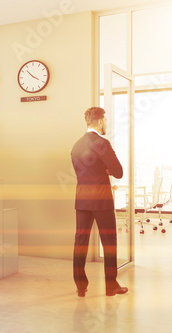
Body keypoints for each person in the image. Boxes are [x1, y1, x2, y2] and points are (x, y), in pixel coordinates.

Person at [70, 106, 128, 297]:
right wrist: (107, 169)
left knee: (80, 241)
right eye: (105, 121)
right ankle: (111, 286)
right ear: (101, 121)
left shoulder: (76, 145)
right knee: (109, 242)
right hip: (101, 200)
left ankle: (80, 286)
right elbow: (118, 172)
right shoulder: (102, 143)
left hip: (82, 199)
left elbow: (84, 172)